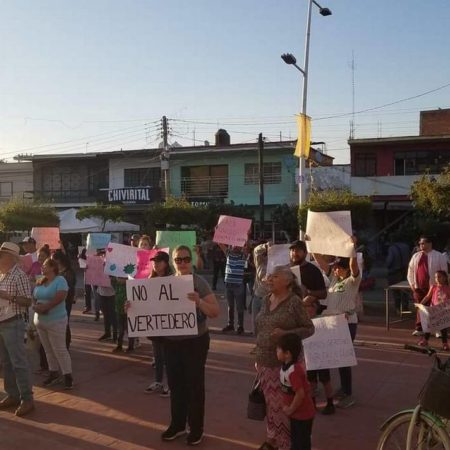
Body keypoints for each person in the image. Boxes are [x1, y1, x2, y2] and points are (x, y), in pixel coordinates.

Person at [162, 245, 219, 446]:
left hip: (195, 342)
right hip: (171, 343)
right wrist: (133, 308)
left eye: (186, 259)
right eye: (179, 260)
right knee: (176, 385)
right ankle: (177, 425)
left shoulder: (199, 283)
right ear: (173, 262)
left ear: (192, 260)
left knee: (194, 386)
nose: (183, 263)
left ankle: (196, 429)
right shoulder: (164, 283)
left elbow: (215, 311)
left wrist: (199, 302)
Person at [255, 265, 314, 450]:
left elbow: (309, 328)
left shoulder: (294, 302)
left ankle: (286, 444)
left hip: (286, 367)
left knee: (285, 408)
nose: (270, 279)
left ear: (288, 281)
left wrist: (286, 334)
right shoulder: (265, 300)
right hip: (264, 363)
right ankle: (273, 440)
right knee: (271, 407)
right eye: (270, 277)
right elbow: (261, 328)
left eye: (276, 277)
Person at [313, 240, 361, 409]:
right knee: (330, 356)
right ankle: (335, 389)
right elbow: (320, 261)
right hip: (331, 322)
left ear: (346, 270)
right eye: (334, 268)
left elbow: (354, 264)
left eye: (339, 267)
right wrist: (312, 244)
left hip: (347, 323)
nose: (335, 269)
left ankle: (347, 392)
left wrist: (351, 248)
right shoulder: (333, 279)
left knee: (343, 357)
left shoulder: (353, 281)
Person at [0, 242, 35, 416]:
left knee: (18, 362)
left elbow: (27, 301)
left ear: (10, 257)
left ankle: (27, 399)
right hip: (2, 321)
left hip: (13, 322)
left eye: (2, 254)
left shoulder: (19, 275)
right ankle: (12, 395)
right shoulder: (2, 275)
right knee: (6, 362)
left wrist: (9, 296)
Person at [33, 258, 74, 390]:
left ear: (52, 267)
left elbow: (61, 296)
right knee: (48, 349)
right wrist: (35, 306)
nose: (42, 267)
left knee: (60, 349)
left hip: (56, 320)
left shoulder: (60, 280)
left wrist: (46, 307)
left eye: (45, 265)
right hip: (40, 321)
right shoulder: (40, 280)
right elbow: (34, 296)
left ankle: (68, 376)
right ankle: (53, 373)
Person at [277, 333, 315, 450]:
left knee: (300, 444)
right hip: (295, 414)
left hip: (302, 415)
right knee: (296, 441)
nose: (276, 352)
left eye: (278, 350)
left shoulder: (294, 371)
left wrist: (290, 409)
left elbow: (300, 394)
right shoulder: (285, 367)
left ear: (287, 354)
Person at [407, 236, 448, 336]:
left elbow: (444, 271)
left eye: (423, 243)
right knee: (421, 307)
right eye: (420, 244)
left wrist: (441, 285)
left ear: (430, 244)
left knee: (436, 309)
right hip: (419, 287)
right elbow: (410, 270)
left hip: (435, 287)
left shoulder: (439, 256)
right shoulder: (416, 256)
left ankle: (438, 330)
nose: (421, 245)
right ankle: (419, 328)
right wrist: (412, 284)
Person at [145, 251, 172, 396]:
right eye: (154, 261)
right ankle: (158, 381)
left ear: (166, 263)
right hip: (156, 323)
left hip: (169, 323)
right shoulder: (150, 279)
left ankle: (171, 384)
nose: (155, 264)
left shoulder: (173, 280)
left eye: (159, 261)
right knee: (158, 356)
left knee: (169, 356)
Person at [303, 297, 335, 415]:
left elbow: (335, 324)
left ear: (315, 308)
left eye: (308, 307)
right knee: (311, 381)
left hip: (322, 356)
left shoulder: (322, 319)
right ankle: (312, 403)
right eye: (305, 307)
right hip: (310, 356)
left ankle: (330, 403)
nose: (306, 309)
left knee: (325, 380)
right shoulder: (303, 321)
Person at [418, 270, 450, 350]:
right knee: (429, 325)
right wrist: (420, 304)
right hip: (433, 310)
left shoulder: (448, 288)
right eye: (436, 277)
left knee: (443, 328)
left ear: (445, 278)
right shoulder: (433, 287)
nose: (437, 279)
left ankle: (445, 343)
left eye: (439, 277)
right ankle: (425, 340)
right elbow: (427, 297)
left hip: (443, 312)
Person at [219, 244, 247, 334]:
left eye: (237, 244)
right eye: (233, 244)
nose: (235, 246)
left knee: (239, 307)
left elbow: (247, 246)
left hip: (238, 285)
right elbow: (220, 244)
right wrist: (218, 231)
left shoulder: (243, 255)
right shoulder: (228, 254)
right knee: (230, 307)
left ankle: (240, 326)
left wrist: (247, 235)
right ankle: (230, 325)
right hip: (228, 284)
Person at [51, 250, 76, 349]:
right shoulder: (59, 272)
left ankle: (66, 344)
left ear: (59, 261)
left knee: (64, 322)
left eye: (54, 260)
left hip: (65, 301)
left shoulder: (68, 272)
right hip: (60, 301)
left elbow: (68, 288)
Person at [289, 240, 327, 305]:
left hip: (307, 309)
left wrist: (308, 292)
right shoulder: (285, 270)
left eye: (298, 251)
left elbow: (323, 294)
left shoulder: (314, 270)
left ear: (305, 253)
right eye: (292, 251)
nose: (294, 253)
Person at [386, 237, 411, 312]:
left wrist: (387, 265)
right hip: (405, 271)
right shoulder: (406, 246)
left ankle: (398, 308)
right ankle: (405, 307)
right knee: (405, 290)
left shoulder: (392, 248)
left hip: (395, 272)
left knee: (396, 291)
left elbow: (389, 260)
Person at [251, 241, 270, 334]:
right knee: (256, 326)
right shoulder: (260, 263)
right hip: (257, 297)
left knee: (267, 326)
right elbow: (256, 251)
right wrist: (265, 246)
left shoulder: (278, 266)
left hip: (269, 300)